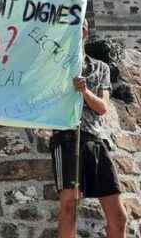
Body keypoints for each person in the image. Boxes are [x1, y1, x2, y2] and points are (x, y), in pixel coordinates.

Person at [50, 20, 127, 238]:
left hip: (95, 139)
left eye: (80, 28)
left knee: (118, 216)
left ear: (85, 32)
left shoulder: (101, 68)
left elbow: (102, 107)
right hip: (65, 137)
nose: (77, 32)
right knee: (68, 206)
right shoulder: (56, 66)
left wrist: (84, 91)